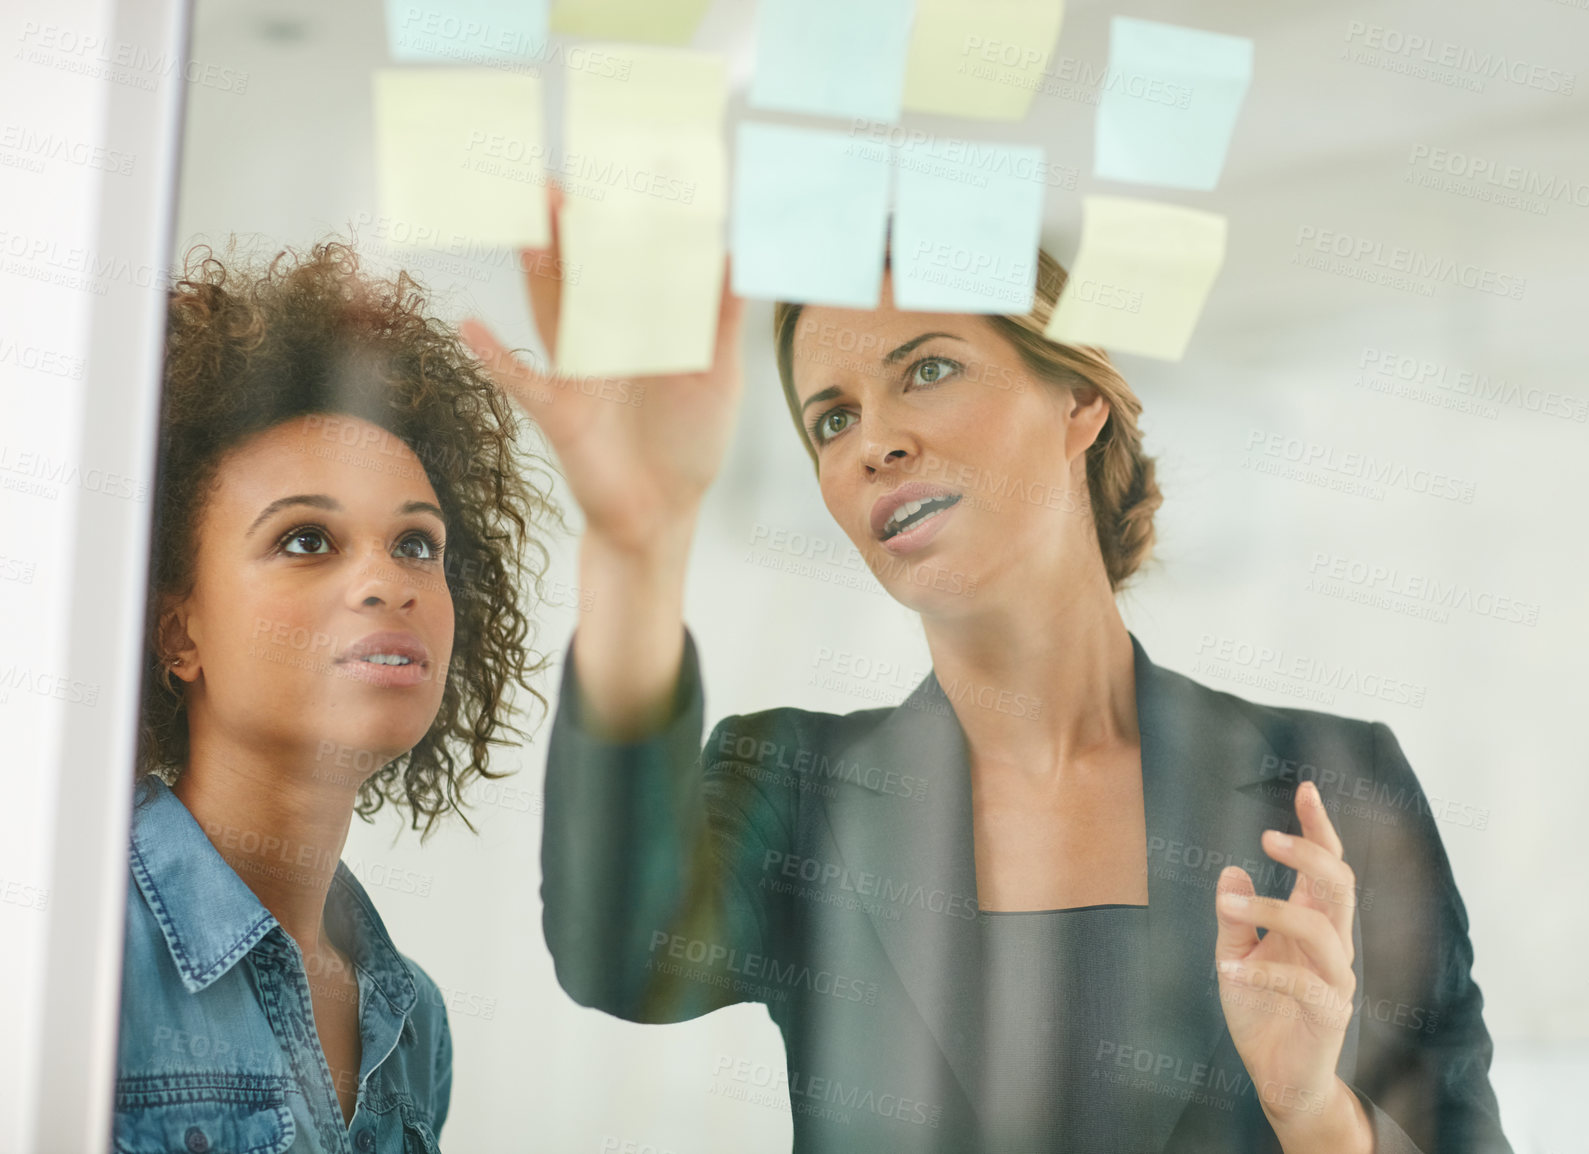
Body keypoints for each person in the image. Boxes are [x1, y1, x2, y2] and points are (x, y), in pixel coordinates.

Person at [462, 196, 1514, 1152]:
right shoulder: (796, 782)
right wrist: (639, 542)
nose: (875, 438)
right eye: (832, 417)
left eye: (926, 368)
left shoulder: (1332, 783)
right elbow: (620, 951)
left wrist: (1314, 1113)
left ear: (1078, 400)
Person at [116, 239, 556, 1154]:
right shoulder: (70, 940)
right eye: (308, 540)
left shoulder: (415, 1021)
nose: (388, 584)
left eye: (417, 545)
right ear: (178, 632)